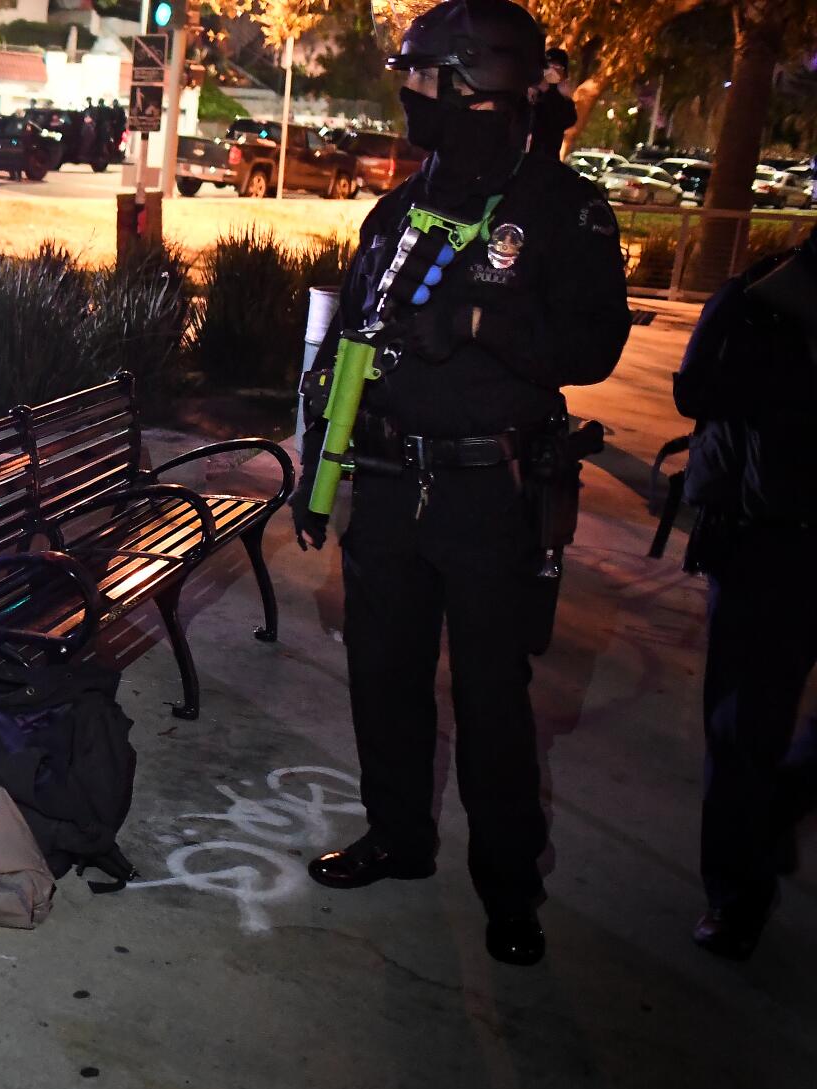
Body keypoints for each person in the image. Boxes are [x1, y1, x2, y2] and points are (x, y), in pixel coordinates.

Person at [290, 0, 631, 966]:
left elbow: (595, 342)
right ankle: (398, 836)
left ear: (477, 86)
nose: (410, 94)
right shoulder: (399, 209)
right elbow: (350, 338)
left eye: (426, 78)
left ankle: (510, 890)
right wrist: (322, 465)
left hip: (489, 490)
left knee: (491, 699)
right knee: (383, 680)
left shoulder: (562, 208)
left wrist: (483, 325)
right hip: (391, 483)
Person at [671, 227, 817, 960]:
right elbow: (693, 390)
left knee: (754, 743)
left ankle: (773, 813)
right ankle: (735, 896)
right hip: (772, 540)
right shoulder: (764, 297)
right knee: (744, 731)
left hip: (775, 535)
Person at [529, 47, 576, 162]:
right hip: (524, 158)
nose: (552, 72)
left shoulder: (561, 97)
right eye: (549, 66)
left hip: (547, 160)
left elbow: (568, 120)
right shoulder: (533, 89)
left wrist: (565, 98)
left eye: (557, 67)